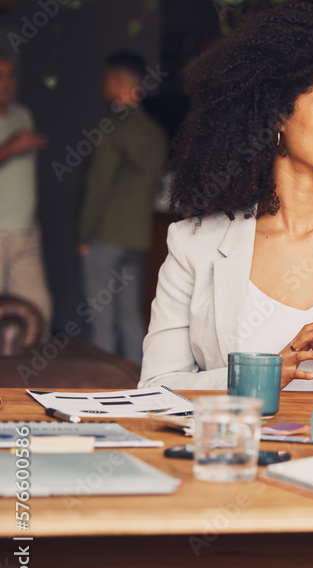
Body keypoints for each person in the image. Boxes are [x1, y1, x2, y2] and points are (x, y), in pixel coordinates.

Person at [138, 1, 313, 391]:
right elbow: (157, 385)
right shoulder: (195, 245)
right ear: (277, 115)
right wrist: (260, 376)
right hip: (243, 449)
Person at [77, 51, 168, 365]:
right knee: (130, 314)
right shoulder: (155, 132)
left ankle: (103, 388)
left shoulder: (113, 128)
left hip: (106, 234)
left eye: (106, 79)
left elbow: (97, 186)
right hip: (138, 236)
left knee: (100, 317)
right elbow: (157, 186)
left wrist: (83, 233)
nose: (103, 86)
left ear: (118, 82)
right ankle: (138, 383)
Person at [0, 48, 51, 328]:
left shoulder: (23, 115)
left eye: (10, 75)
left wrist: (35, 214)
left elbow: (28, 175)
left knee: (38, 312)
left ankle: (28, 372)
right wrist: (11, 146)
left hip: (27, 233)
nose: (6, 82)